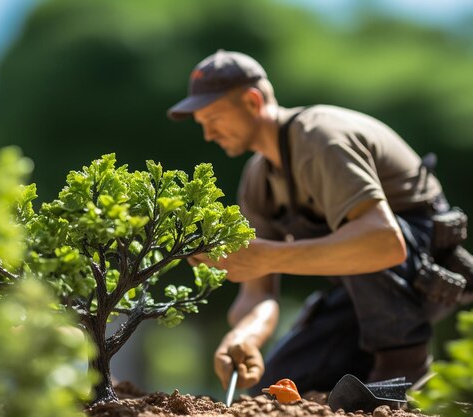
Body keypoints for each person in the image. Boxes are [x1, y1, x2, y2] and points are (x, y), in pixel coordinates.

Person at [167, 50, 471, 394]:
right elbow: (258, 292)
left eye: (214, 117)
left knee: (363, 236)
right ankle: (369, 382)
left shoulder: (320, 137)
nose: (208, 134)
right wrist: (243, 337)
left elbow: (383, 243)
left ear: (252, 101)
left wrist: (266, 255)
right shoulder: (258, 180)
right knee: (273, 390)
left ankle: (406, 376)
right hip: (363, 296)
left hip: (420, 275)